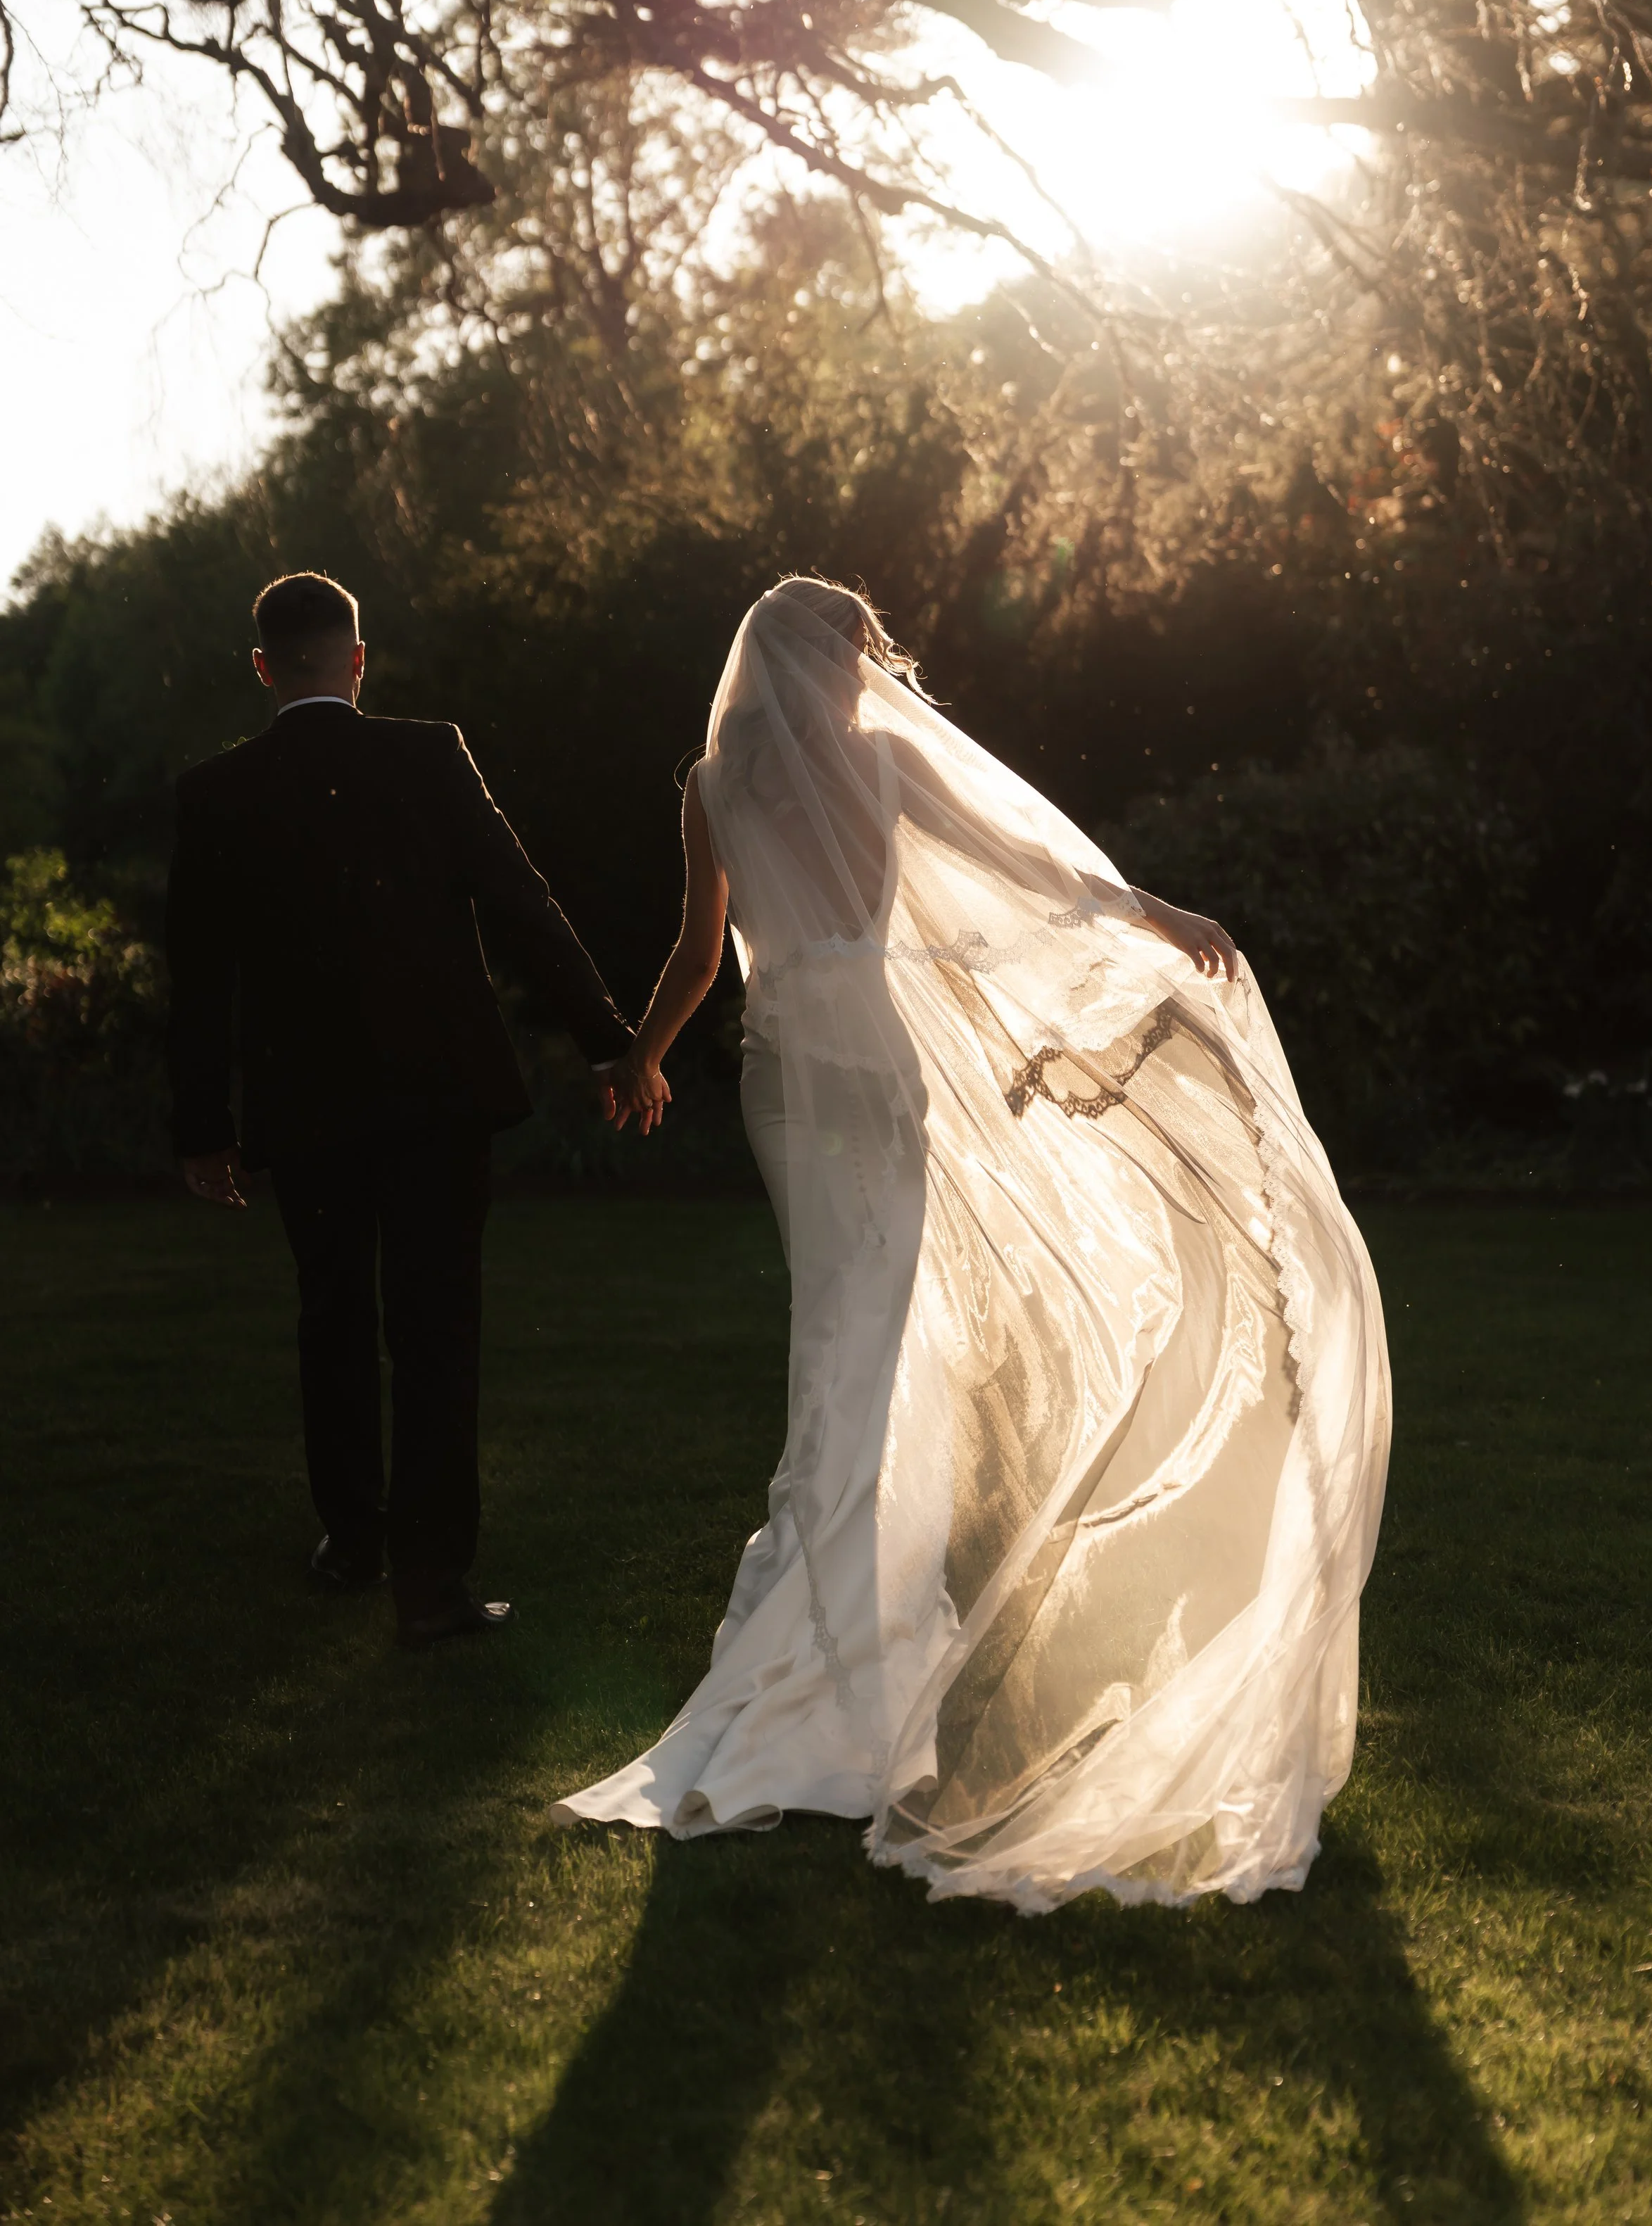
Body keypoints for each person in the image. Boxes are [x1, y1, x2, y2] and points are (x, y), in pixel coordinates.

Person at [554, 577, 1392, 1912]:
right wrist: (1156, 915)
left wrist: (648, 1054)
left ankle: (843, 1620)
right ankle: (857, 1627)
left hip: (788, 1074)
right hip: (873, 1065)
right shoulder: (886, 764)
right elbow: (1027, 868)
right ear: (840, 663)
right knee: (875, 1339)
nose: (868, 676)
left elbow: (700, 953)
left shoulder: (712, 784)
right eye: (861, 654)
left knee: (844, 1333)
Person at [166, 571, 637, 1647]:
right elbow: (521, 902)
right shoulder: (429, 756)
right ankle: (429, 1584)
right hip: (437, 1093)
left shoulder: (217, 791)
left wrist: (202, 1127)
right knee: (436, 1330)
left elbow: (200, 979)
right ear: (359, 659)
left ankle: (352, 1540)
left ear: (262, 666)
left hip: (304, 1102)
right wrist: (609, 1039)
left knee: (330, 1316)